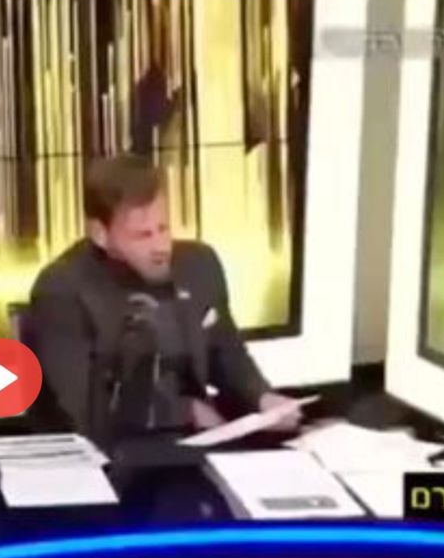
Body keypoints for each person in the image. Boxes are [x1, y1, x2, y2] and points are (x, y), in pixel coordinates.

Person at [27, 154, 301, 445]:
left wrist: (262, 398)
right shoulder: (61, 290)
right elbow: (83, 412)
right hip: (114, 456)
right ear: (100, 234)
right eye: (143, 235)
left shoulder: (199, 265)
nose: (160, 247)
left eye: (163, 228)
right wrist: (184, 412)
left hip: (201, 442)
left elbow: (227, 353)